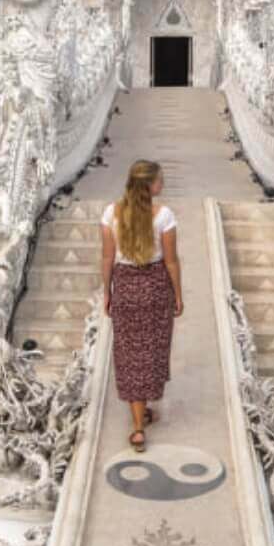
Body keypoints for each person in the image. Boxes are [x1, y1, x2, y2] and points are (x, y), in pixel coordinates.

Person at [100, 159, 183, 453]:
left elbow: (108, 258)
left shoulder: (112, 213)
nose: (163, 184)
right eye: (160, 180)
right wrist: (178, 295)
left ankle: (138, 421)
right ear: (149, 185)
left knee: (130, 353)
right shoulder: (164, 216)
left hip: (125, 287)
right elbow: (171, 261)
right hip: (155, 287)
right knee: (150, 351)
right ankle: (140, 420)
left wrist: (107, 292)